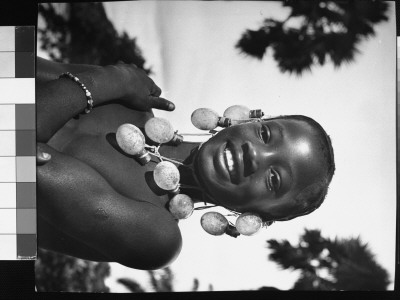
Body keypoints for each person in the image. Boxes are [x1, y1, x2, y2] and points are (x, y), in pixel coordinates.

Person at [36, 57, 335, 270]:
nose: (255, 155)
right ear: (248, 120)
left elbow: (13, 157)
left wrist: (114, 79)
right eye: (266, 134)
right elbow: (11, 65)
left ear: (255, 217)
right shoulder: (129, 102)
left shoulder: (156, 236)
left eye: (273, 180)